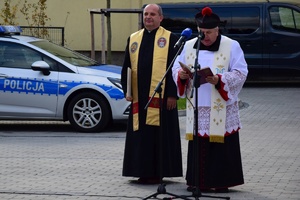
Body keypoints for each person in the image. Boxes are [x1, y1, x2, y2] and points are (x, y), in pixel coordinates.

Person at [172, 7, 248, 192]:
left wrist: (220, 80)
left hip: (220, 104)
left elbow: (241, 72)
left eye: (208, 33)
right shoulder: (190, 45)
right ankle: (197, 181)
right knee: (199, 144)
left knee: (219, 147)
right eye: (202, 33)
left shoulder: (231, 45)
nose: (204, 37)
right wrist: (181, 75)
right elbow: (176, 67)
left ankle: (220, 182)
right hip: (197, 104)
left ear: (217, 31)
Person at [121, 4, 183, 184]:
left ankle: (160, 171)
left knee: (159, 136)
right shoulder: (133, 38)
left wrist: (172, 94)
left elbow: (175, 68)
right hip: (139, 98)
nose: (148, 17)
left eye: (152, 14)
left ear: (160, 18)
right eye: (146, 14)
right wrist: (127, 90)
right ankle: (141, 170)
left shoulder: (172, 38)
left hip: (163, 99)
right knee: (141, 135)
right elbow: (127, 67)